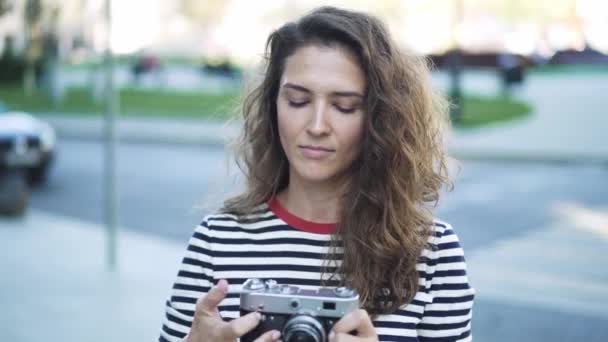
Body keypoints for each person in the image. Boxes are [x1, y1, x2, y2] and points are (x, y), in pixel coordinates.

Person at [159, 6, 475, 342]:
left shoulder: (432, 251)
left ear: (381, 119)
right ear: (273, 106)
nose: (317, 126)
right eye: (297, 101)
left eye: (344, 107)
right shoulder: (215, 241)